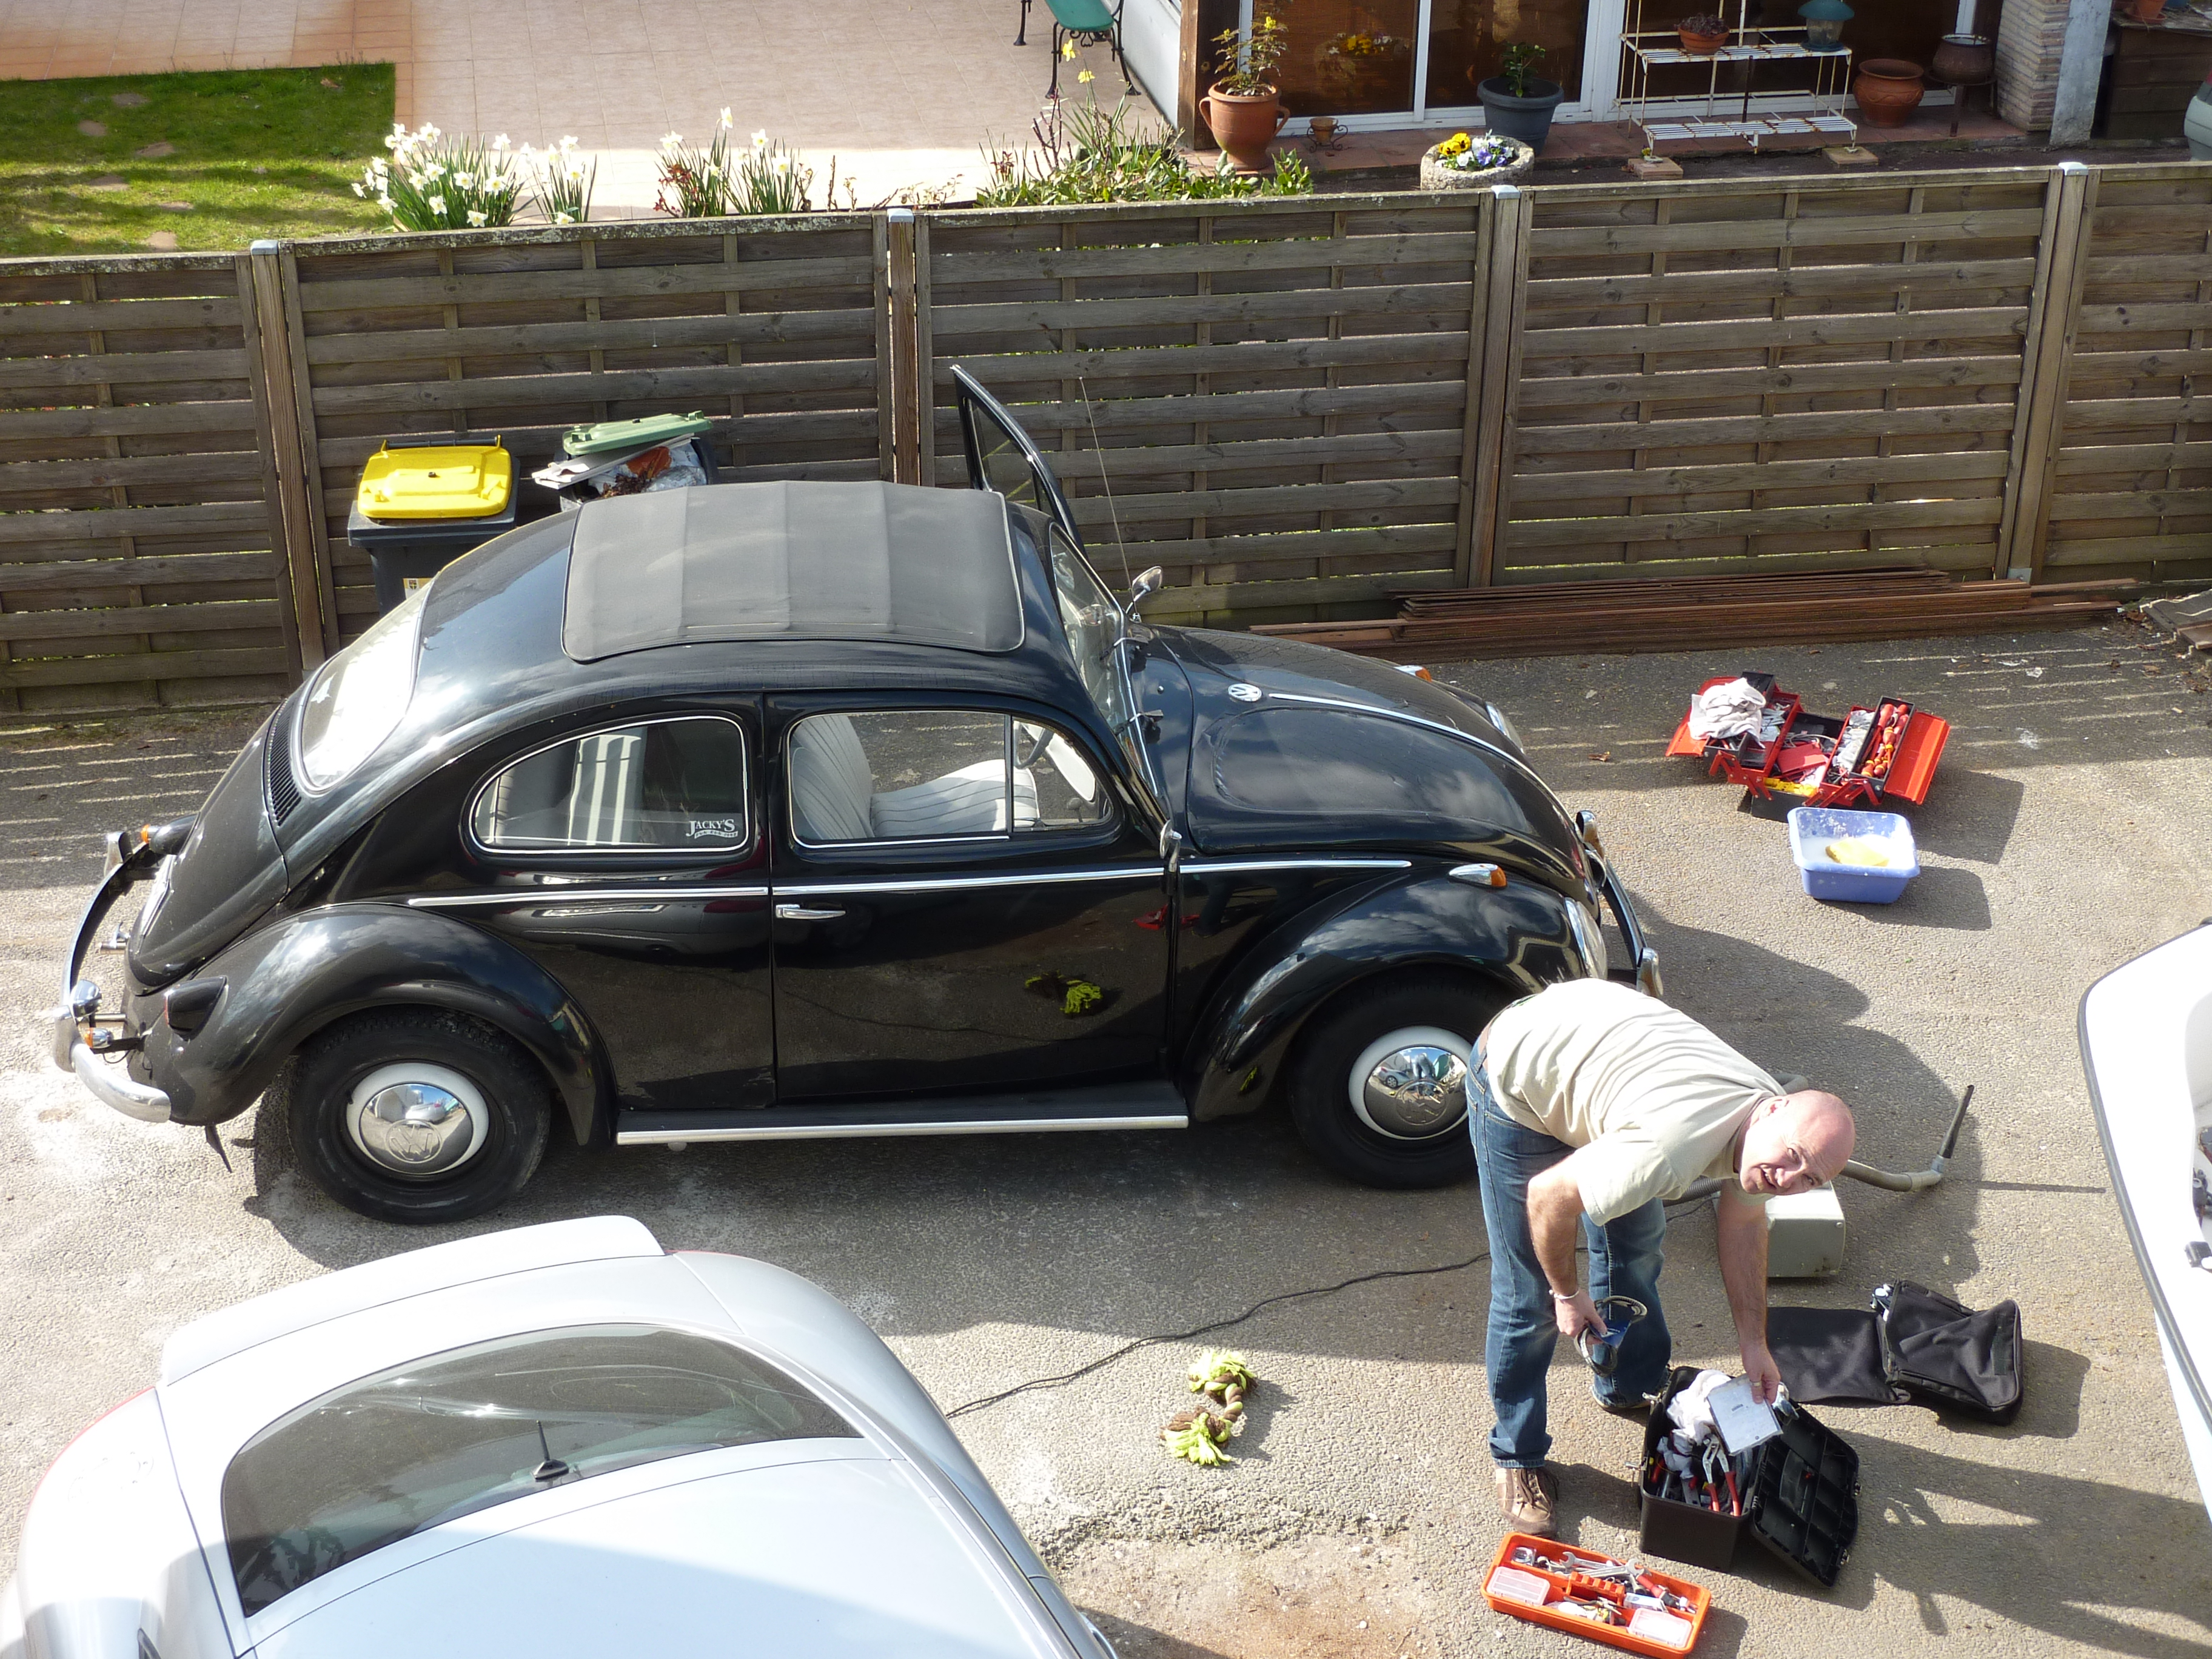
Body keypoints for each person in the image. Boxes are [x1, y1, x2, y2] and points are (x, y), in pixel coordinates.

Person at [1472, 977, 1855, 1539]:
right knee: (1528, 1296)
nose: (1788, 1179)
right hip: (1520, 1066)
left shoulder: (1764, 1134)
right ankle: (1517, 1455)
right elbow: (1548, 1197)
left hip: (1605, 1068)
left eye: (1810, 1179)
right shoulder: (1672, 1148)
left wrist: (1753, 1344)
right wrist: (1567, 1294)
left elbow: (1744, 1224)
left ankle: (1628, 1383)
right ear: (1772, 1110)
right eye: (1793, 1156)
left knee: (1636, 1245)